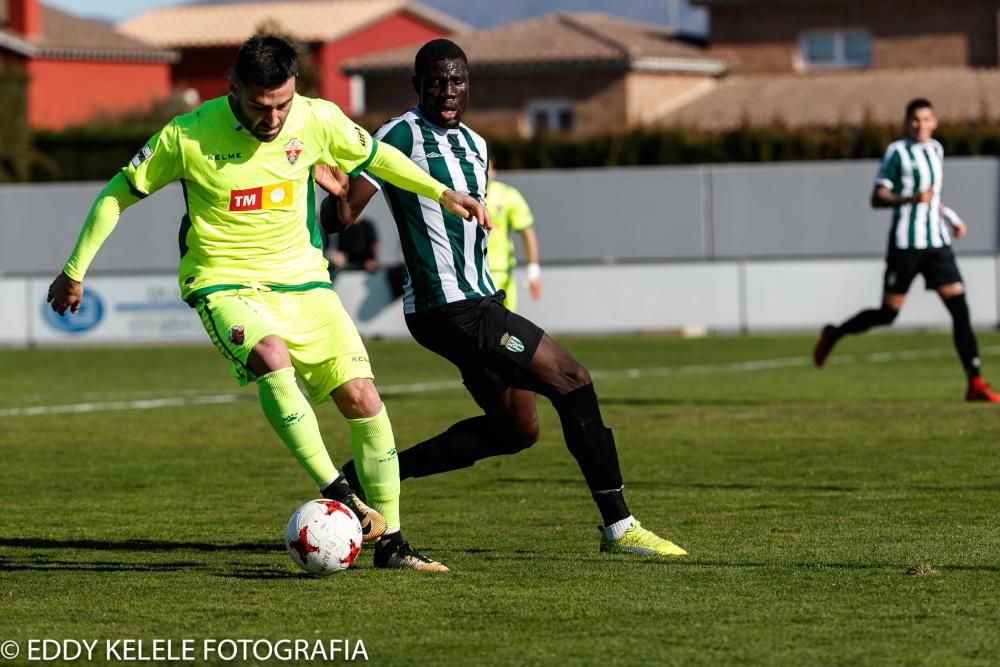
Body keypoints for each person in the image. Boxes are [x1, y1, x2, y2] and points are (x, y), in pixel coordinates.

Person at [46, 35, 489, 571]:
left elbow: (380, 157)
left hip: (305, 284)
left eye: (283, 103)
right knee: (272, 357)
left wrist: (443, 193)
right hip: (223, 284)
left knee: (363, 398)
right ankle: (340, 492)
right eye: (261, 105)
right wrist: (74, 271)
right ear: (233, 88)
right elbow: (119, 191)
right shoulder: (187, 135)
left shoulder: (317, 118)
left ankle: (392, 544)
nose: (275, 118)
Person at [317, 39, 686, 557]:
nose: (448, 91)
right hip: (449, 307)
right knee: (573, 380)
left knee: (517, 429)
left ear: (469, 85)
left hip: (482, 301)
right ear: (418, 85)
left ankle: (365, 479)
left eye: (458, 81)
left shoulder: (477, 144)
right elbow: (341, 217)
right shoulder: (396, 135)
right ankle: (620, 528)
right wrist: (335, 202)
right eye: (437, 81)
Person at [813, 98, 1000, 403]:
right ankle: (834, 334)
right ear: (906, 123)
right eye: (915, 119)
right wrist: (909, 199)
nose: (920, 124)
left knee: (960, 309)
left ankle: (975, 382)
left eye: (926, 119)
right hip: (905, 245)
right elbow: (878, 197)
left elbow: (933, 196)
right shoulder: (896, 152)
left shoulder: (937, 150)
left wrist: (950, 218)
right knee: (888, 314)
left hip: (937, 244)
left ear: (934, 122)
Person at [485, 160, 541, 312]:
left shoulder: (507, 196)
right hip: (475, 274)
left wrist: (533, 272)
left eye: (487, 168)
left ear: (494, 171)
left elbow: (527, 232)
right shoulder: (461, 196)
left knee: (508, 329)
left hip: (504, 272)